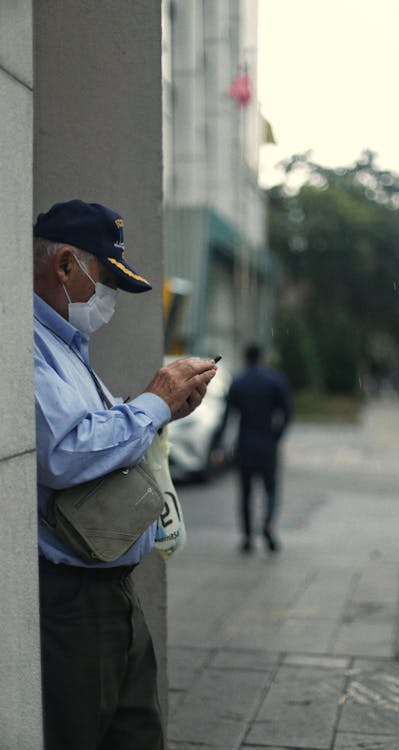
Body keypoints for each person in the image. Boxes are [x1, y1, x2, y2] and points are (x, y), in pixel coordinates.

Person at [33, 199, 217, 750]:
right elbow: (65, 453)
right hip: (73, 600)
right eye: (105, 279)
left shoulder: (68, 345)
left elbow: (102, 437)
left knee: (137, 734)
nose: (107, 297)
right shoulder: (26, 344)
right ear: (65, 265)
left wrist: (164, 408)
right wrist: (154, 403)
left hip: (114, 592)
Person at [223, 342, 292, 554]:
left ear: (245, 358)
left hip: (245, 446)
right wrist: (276, 436)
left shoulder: (239, 382)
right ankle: (269, 524)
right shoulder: (275, 380)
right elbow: (287, 412)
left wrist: (221, 446)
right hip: (268, 445)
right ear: (262, 358)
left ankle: (247, 538)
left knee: (246, 493)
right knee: (270, 490)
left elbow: (227, 417)